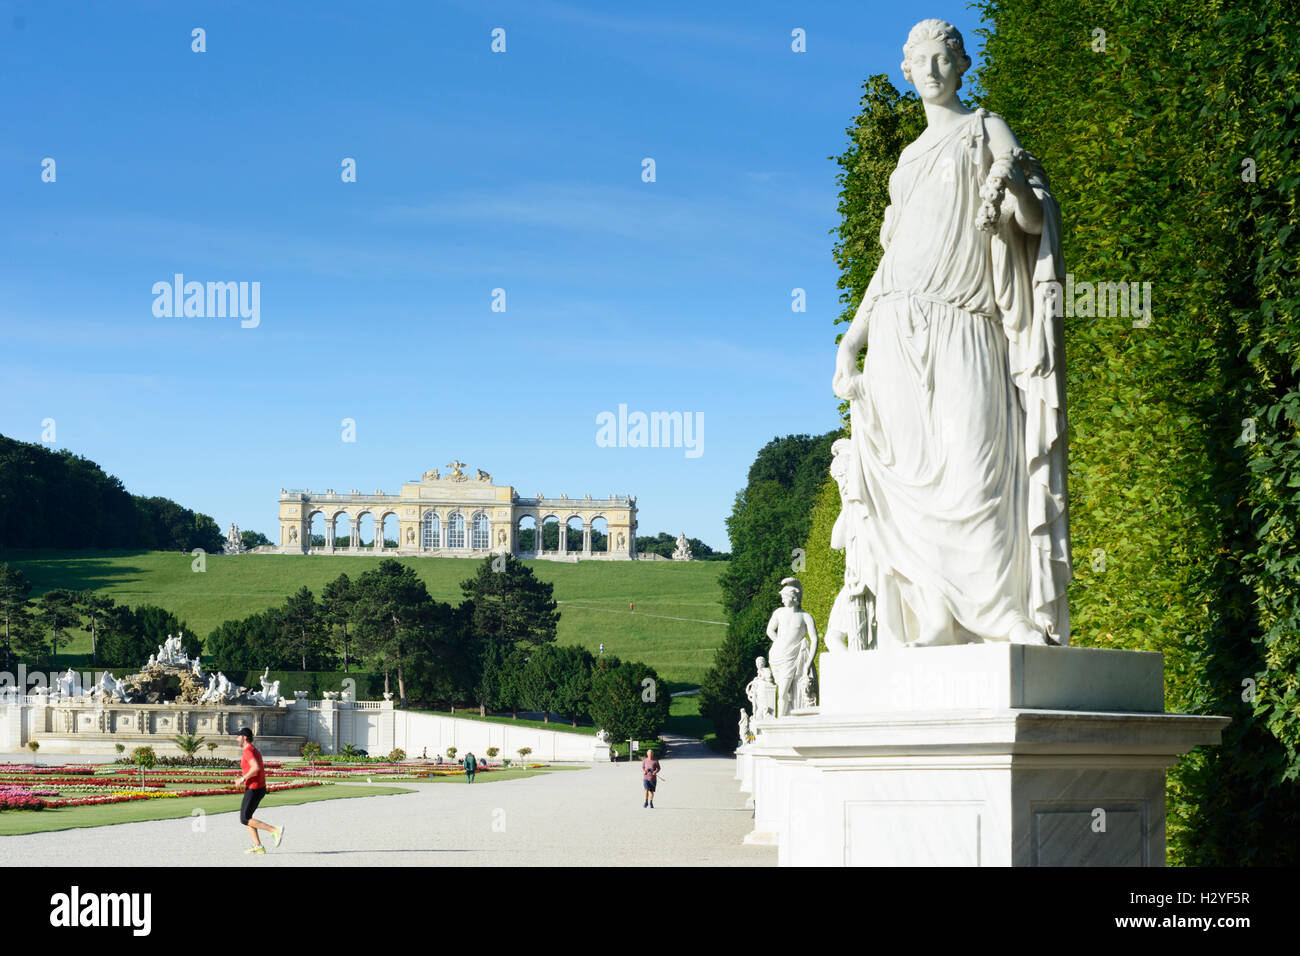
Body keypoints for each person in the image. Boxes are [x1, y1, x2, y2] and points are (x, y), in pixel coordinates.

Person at [831, 19, 1071, 648]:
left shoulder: (985, 129)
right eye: (921, 61)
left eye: (944, 58)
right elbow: (890, 261)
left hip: (966, 319)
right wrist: (851, 339)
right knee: (909, 474)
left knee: (977, 464)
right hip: (895, 332)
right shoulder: (907, 162)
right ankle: (934, 610)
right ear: (907, 71)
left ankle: (999, 611)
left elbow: (1031, 217)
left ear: (961, 65)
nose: (933, 70)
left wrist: (1016, 185)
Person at [235, 728, 283, 854]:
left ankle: (273, 830)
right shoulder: (253, 749)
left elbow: (255, 767)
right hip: (258, 787)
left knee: (244, 818)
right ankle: (258, 846)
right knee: (247, 817)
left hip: (254, 788)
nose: (236, 739)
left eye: (238, 736)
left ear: (244, 737)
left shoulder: (248, 751)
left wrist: (242, 779)